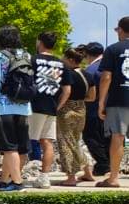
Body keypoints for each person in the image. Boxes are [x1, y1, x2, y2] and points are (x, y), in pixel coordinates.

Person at [0, 25, 33, 190]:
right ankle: (3, 181)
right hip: (23, 105)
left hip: (2, 106)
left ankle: (17, 183)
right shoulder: (26, 55)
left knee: (9, 148)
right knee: (19, 147)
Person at [27, 31, 65, 185]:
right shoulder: (60, 63)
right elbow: (66, 89)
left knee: (25, 141)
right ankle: (44, 178)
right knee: (47, 142)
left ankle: (13, 177)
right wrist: (58, 105)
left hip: (34, 105)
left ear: (39, 42)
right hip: (51, 106)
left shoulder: (32, 59)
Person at [95, 15, 129, 188]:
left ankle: (114, 178)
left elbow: (106, 77)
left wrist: (101, 102)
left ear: (121, 30)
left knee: (118, 136)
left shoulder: (113, 49)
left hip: (119, 99)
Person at [53, 48, 95, 186]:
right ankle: (88, 172)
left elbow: (66, 91)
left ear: (70, 60)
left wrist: (58, 106)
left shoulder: (66, 73)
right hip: (81, 109)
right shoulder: (88, 74)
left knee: (66, 143)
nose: (61, 60)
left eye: (63, 58)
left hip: (66, 110)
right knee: (76, 141)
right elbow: (92, 97)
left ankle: (71, 177)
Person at [82, 40, 109, 174]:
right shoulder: (108, 66)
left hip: (93, 108)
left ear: (88, 54)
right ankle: (107, 162)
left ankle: (102, 163)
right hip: (110, 107)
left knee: (90, 136)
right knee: (107, 137)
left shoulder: (91, 70)